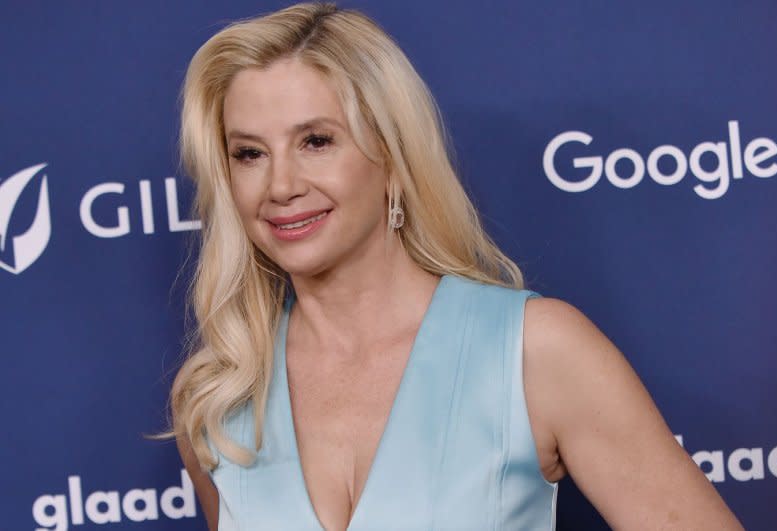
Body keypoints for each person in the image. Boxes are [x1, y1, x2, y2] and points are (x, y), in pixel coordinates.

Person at [167, 2, 744, 530]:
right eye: (249, 154)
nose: (282, 185)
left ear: (392, 157)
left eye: (316, 141)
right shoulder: (219, 396)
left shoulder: (534, 352)